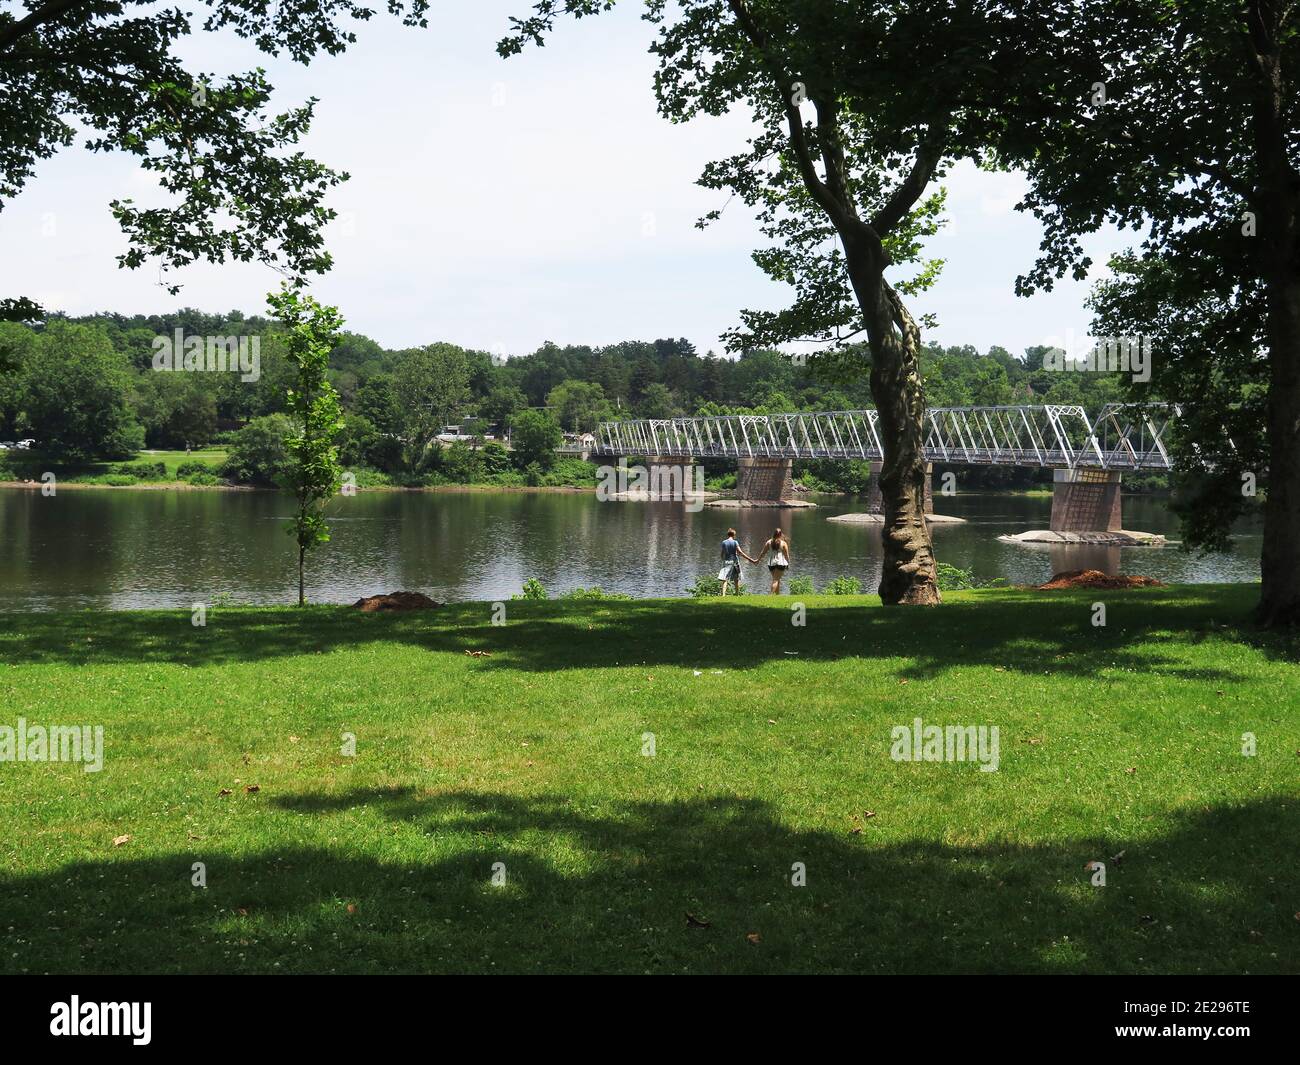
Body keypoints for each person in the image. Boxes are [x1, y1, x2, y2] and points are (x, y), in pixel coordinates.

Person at [718, 527, 755, 596]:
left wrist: (723, 560)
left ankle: (723, 595)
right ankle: (737, 594)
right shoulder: (735, 542)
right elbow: (740, 552)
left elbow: (722, 554)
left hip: (727, 561)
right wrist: (750, 560)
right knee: (736, 578)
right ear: (734, 535)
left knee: (725, 579)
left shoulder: (724, 542)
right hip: (735, 562)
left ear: (728, 535)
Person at [757, 526, 792, 594]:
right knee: (776, 580)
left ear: (774, 534)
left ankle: (777, 596)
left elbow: (763, 553)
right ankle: (770, 595)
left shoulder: (768, 542)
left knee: (776, 579)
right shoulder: (784, 543)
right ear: (781, 534)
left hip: (771, 563)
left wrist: (758, 560)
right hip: (781, 563)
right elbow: (786, 555)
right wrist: (788, 563)